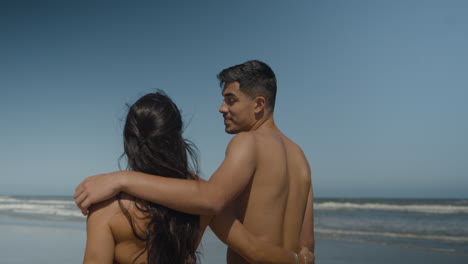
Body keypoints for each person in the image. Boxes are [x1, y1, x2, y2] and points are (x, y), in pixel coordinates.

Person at [75, 60, 314, 263]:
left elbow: (211, 199)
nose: (221, 108)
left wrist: (121, 179)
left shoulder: (248, 142)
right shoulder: (300, 158)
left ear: (259, 104)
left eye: (230, 100)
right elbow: (307, 247)